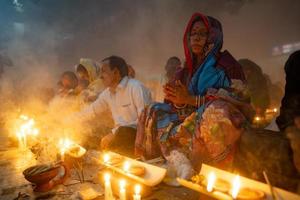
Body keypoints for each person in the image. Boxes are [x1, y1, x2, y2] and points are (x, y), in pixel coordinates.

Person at [135, 13, 253, 171]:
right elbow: (175, 106)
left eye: (202, 33)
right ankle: (154, 165)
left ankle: (214, 173)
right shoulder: (184, 70)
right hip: (188, 120)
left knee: (216, 110)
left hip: (215, 119)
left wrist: (191, 99)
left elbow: (239, 99)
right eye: (193, 33)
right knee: (151, 110)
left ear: (213, 37)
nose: (196, 38)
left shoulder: (227, 65)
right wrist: (177, 101)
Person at [68, 56, 152, 156]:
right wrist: (67, 120)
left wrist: (114, 133)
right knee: (92, 139)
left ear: (116, 72)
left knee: (123, 132)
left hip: (138, 140)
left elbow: (144, 120)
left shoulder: (136, 87)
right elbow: (91, 111)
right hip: (120, 139)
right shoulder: (108, 93)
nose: (100, 76)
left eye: (104, 71)